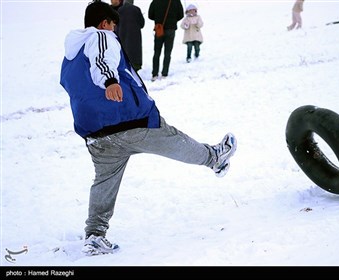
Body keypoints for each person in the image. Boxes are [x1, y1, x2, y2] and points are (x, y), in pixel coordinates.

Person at [60, 0, 237, 256]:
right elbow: (102, 58)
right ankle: (215, 158)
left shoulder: (70, 55)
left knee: (105, 181)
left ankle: (95, 235)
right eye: (113, 26)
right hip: (127, 118)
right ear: (104, 23)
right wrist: (110, 81)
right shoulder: (100, 36)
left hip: (96, 133)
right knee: (174, 141)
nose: (114, 32)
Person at [148, 0, 184, 81]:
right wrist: (173, 20)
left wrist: (158, 20)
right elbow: (181, 15)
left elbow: (150, 15)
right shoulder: (176, 1)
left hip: (159, 29)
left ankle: (155, 74)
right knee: (168, 53)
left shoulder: (155, 1)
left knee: (157, 52)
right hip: (171, 29)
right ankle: (164, 73)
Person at [110, 0, 145, 72]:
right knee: (134, 57)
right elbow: (142, 24)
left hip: (122, 37)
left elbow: (115, 25)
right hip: (135, 39)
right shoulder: (136, 9)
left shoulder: (119, 10)